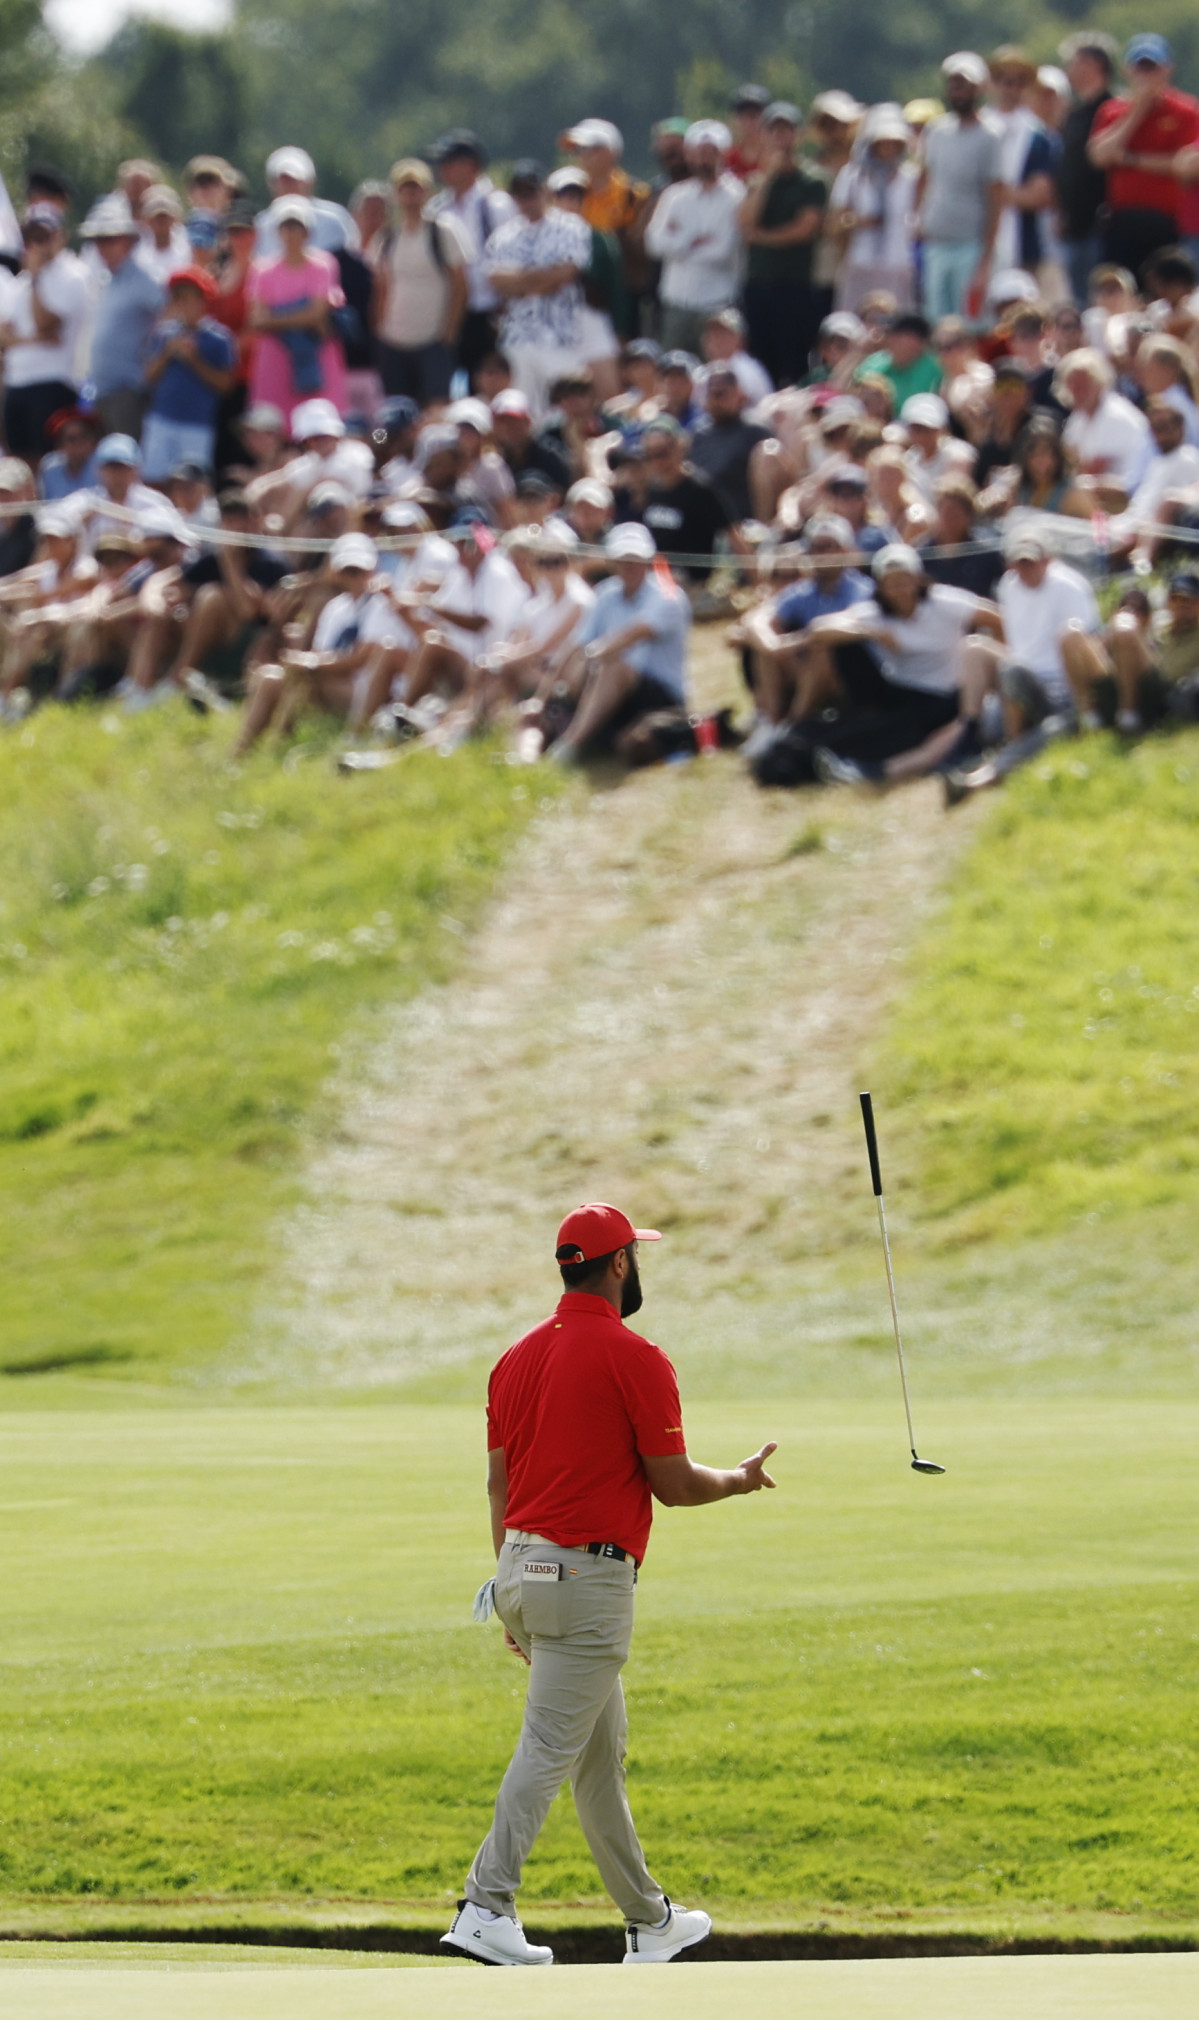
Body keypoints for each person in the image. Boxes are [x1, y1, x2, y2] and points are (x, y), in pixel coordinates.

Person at [443, 1202, 776, 1967]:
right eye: (636, 1255)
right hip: (586, 1581)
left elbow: (498, 1487)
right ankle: (483, 1905)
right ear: (619, 1263)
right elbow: (674, 1485)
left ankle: (649, 1921)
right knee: (549, 1749)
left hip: (521, 1570)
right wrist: (739, 1480)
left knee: (598, 1757)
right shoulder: (636, 1357)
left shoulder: (515, 1357)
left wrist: (509, 1591)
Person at [549, 523, 690, 759]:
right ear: (612, 562)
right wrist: (550, 687)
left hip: (663, 696)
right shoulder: (605, 594)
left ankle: (569, 747)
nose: (629, 565)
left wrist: (588, 659)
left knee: (613, 664)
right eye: (623, 558)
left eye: (635, 558)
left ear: (648, 560)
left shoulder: (669, 596)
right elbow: (576, 643)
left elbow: (630, 636)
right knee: (590, 668)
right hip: (614, 687)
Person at [485, 161, 591, 421]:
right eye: (519, 193)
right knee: (523, 411)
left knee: (567, 407)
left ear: (543, 190)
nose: (526, 199)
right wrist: (543, 277)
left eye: (530, 191)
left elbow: (566, 273)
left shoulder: (571, 226)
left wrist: (521, 281)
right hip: (518, 338)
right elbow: (496, 279)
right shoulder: (504, 236)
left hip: (559, 335)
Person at [1087, 36, 1199, 271]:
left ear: (1167, 69)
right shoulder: (1113, 110)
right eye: (1140, 68)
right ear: (1128, 70)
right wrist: (1138, 110)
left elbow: (1183, 165)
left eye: (1152, 68)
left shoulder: (1185, 111)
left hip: (1168, 221)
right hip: (1122, 219)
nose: (1146, 75)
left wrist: (1131, 159)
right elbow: (1100, 155)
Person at [737, 102, 826, 387]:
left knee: (794, 359)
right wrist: (767, 178)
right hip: (758, 283)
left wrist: (762, 237)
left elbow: (804, 230)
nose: (780, 138)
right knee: (761, 358)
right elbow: (744, 222)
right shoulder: (757, 182)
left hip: (795, 284)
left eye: (786, 131)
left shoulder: (812, 181)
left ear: (797, 135)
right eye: (773, 131)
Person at [371, 160, 468, 404]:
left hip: (433, 339)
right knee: (395, 413)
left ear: (427, 192)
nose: (410, 196)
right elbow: (382, 286)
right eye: (405, 189)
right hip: (394, 340)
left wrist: (449, 331)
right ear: (396, 194)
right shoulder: (387, 237)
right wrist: (379, 330)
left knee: (436, 409)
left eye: (416, 189)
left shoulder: (443, 232)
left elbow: (460, 284)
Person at [916, 53, 1004, 321]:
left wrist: (986, 259)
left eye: (964, 84)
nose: (958, 91)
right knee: (935, 323)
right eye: (953, 84)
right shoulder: (937, 131)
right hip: (936, 244)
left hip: (971, 246)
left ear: (978, 88)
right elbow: (926, 179)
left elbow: (995, 197)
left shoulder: (990, 135)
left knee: (969, 324)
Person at [644, 122, 745, 356]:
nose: (704, 160)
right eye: (699, 153)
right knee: (672, 367)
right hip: (676, 300)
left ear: (723, 154)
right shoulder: (674, 196)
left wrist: (677, 239)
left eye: (710, 153)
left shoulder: (736, 197)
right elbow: (653, 243)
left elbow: (721, 251)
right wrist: (693, 240)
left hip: (717, 303)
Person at [246, 197, 348, 423]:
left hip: (318, 358)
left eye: (297, 227)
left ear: (307, 232)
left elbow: (316, 313)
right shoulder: (262, 269)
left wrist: (275, 316)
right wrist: (301, 315)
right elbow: (256, 319)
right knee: (273, 425)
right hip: (276, 361)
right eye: (286, 227)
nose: (292, 233)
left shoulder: (323, 264)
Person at [0, 206, 90, 462]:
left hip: (52, 382)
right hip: (17, 382)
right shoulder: (21, 283)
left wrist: (38, 278)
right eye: (31, 239)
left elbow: (47, 324)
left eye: (43, 237)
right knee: (20, 459)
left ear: (60, 236)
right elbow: (3, 336)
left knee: (48, 457)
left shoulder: (73, 275)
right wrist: (33, 341)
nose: (37, 245)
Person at [428, 130, 516, 379]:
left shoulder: (496, 205)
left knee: (488, 379)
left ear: (471, 165)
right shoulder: (437, 207)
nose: (442, 169)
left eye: (449, 162)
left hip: (488, 309)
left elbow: (510, 254)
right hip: (449, 309)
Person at [81, 195, 165, 441]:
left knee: (125, 458)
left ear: (128, 241)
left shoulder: (142, 277)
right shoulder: (108, 279)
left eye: (109, 239)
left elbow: (171, 314)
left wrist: (151, 362)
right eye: (98, 240)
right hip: (102, 390)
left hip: (128, 389)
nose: (102, 246)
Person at [141, 267, 237, 483]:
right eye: (180, 298)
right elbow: (149, 377)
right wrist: (167, 354)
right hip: (162, 418)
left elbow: (225, 385)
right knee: (154, 479)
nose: (186, 304)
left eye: (191, 298)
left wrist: (194, 360)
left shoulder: (219, 338)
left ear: (203, 301)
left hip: (197, 423)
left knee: (193, 483)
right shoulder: (164, 333)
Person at [830, 104, 919, 313]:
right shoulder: (852, 176)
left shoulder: (911, 177)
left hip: (897, 264)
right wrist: (859, 222)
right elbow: (833, 223)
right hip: (859, 262)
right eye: (883, 142)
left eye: (894, 142)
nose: (889, 148)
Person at [1056, 34, 1119, 304]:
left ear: (1093, 65)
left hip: (1101, 227)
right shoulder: (1076, 114)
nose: (1068, 70)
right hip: (1074, 227)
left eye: (1073, 63)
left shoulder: (1115, 109)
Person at [686, 365, 773, 522]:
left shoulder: (756, 432)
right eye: (711, 394)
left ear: (738, 394)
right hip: (703, 520)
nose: (715, 400)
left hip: (743, 521)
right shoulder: (698, 434)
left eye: (720, 394)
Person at [254, 147, 358, 259]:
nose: (289, 185)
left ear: (311, 182)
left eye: (295, 180)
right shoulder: (261, 224)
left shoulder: (334, 220)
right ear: (271, 184)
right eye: (283, 180)